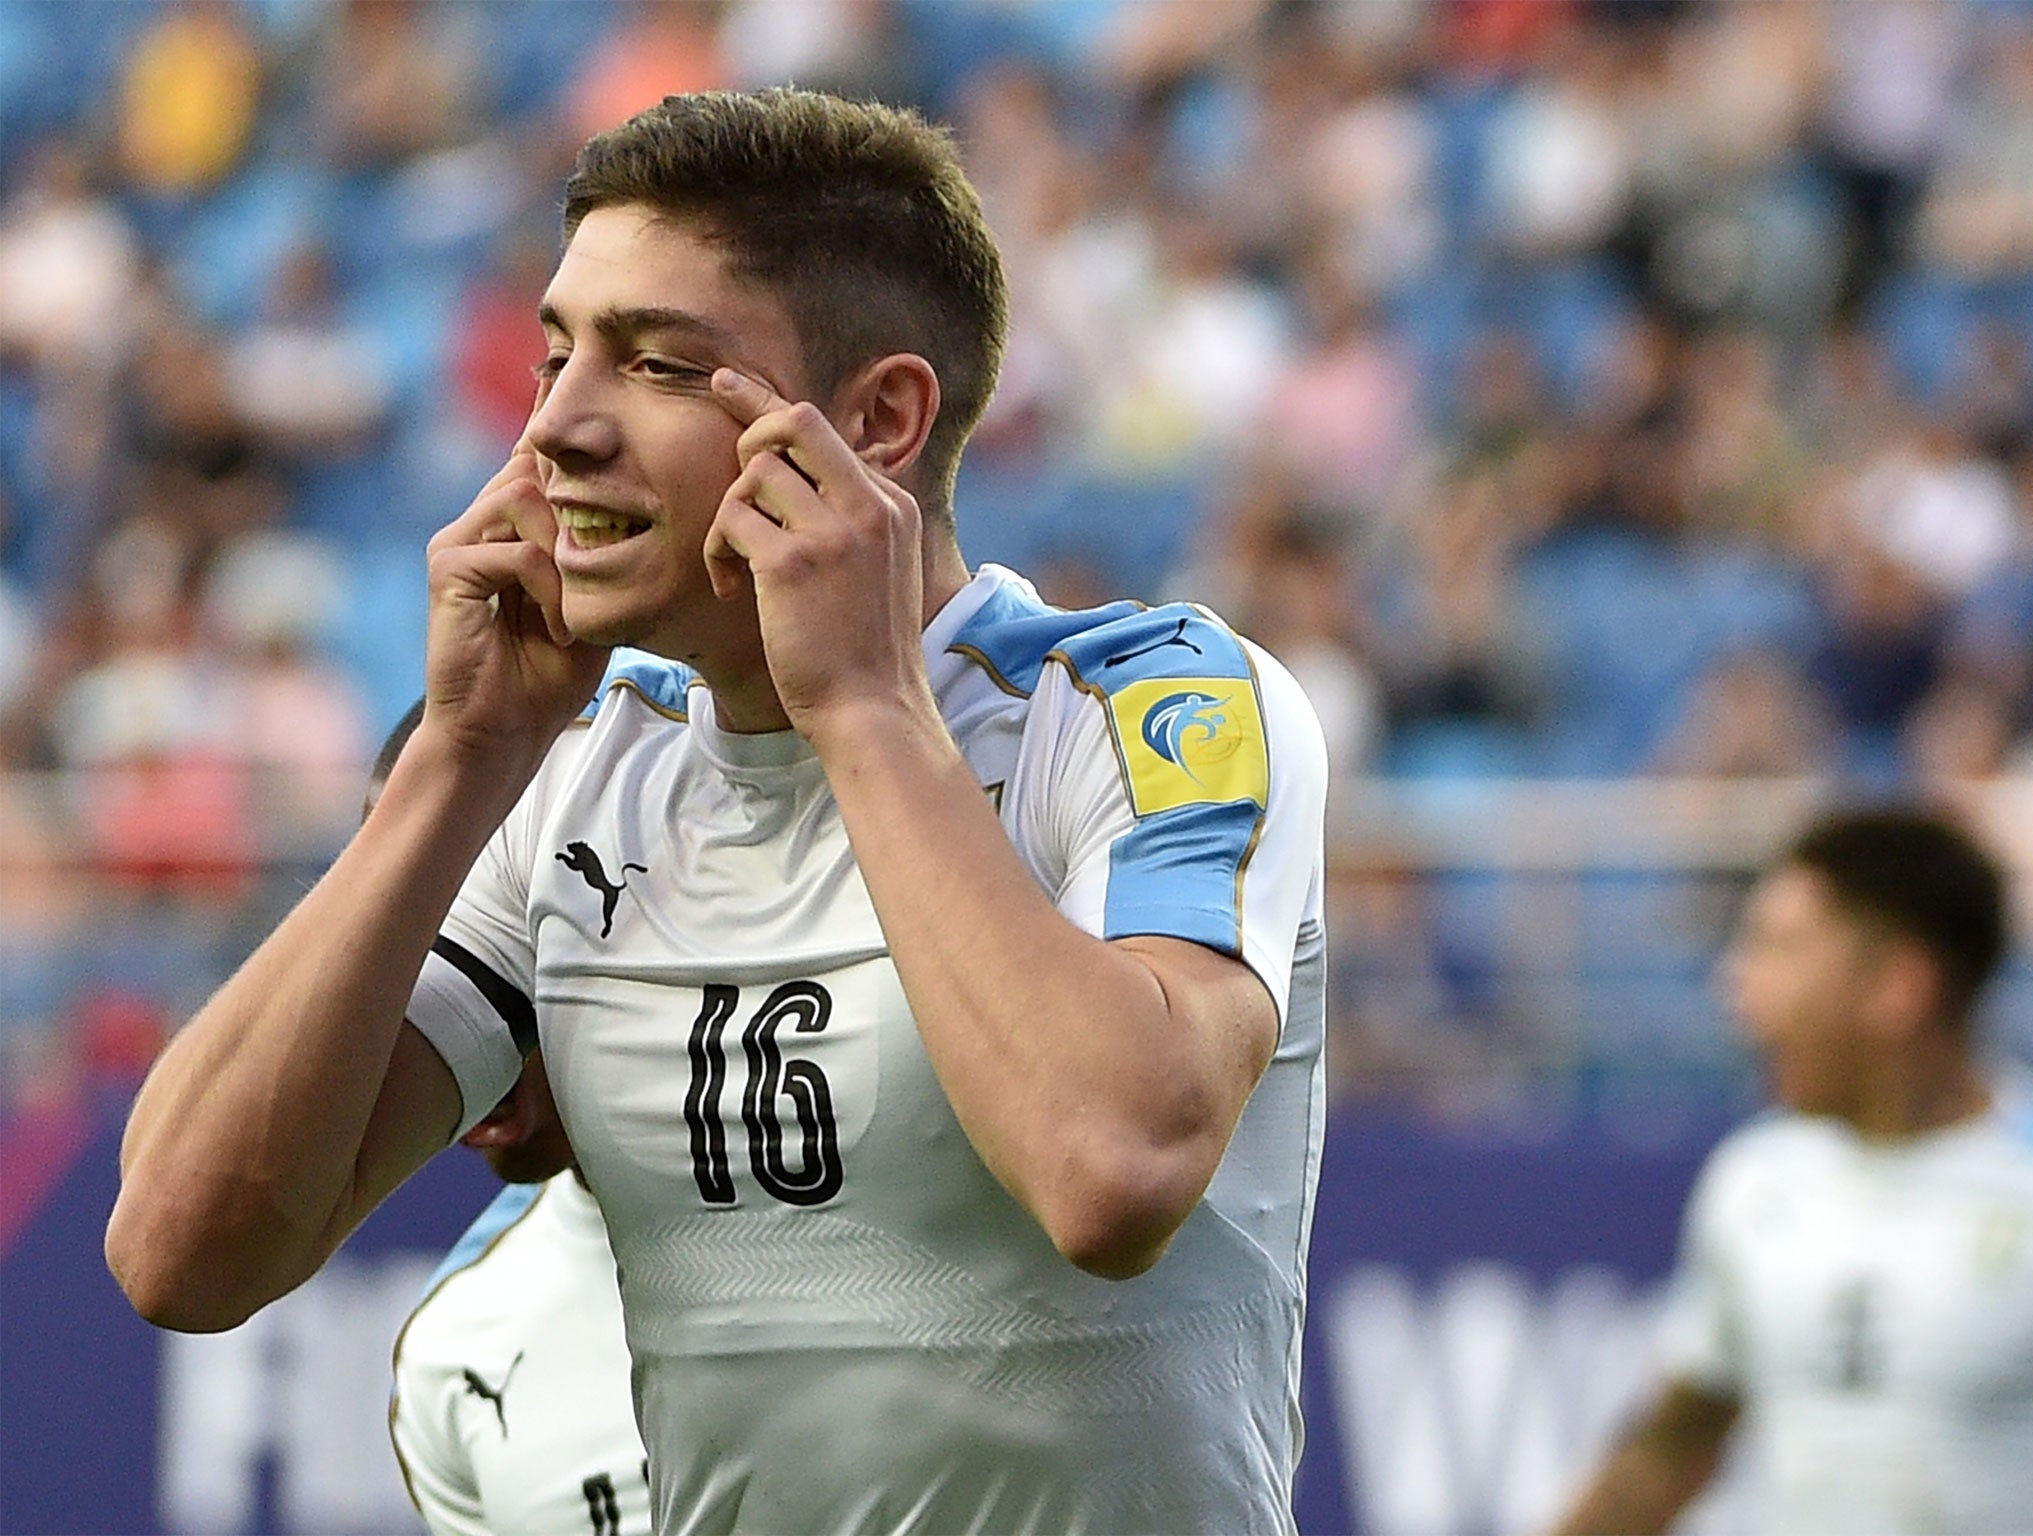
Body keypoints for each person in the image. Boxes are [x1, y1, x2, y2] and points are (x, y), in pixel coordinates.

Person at [106, 88, 1329, 1536]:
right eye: (558, 355)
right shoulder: (572, 779)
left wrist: (862, 708)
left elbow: (1115, 1169)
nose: (556, 429)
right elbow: (187, 1254)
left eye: (660, 365)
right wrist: (456, 759)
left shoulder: (1149, 701)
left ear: (877, 421)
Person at [1552, 806, 2033, 1535]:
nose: (1736, 989)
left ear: (1897, 988)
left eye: (1778, 948)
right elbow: (1667, 1456)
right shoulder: (1756, 1180)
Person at [365, 702, 652, 1536]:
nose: (433, 996)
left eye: (487, 921)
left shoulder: (920, 1203)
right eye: (400, 936)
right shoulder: (452, 1354)